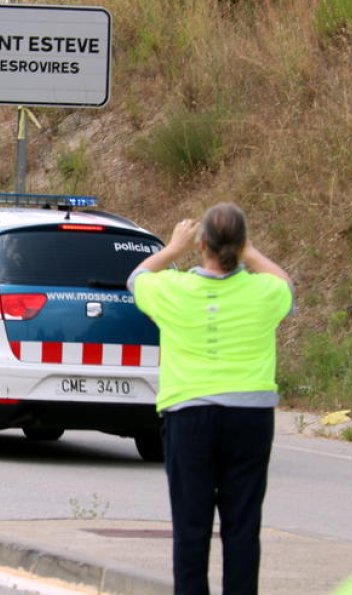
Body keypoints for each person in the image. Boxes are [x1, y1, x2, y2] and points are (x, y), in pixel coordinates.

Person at [128, 203, 294, 595]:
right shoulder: (263, 293)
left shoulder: (173, 289)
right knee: (243, 523)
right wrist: (249, 251)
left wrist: (172, 248)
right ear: (241, 245)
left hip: (190, 414)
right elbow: (285, 283)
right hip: (250, 418)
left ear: (201, 244)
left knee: (191, 524)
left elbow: (136, 278)